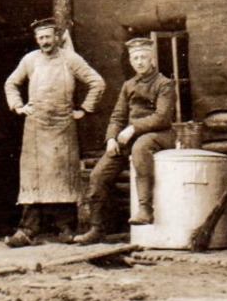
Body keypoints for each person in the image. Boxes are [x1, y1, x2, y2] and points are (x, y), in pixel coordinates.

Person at [3, 18, 106, 247]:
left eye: (48, 37)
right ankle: (27, 230)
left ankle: (65, 229)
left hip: (62, 127)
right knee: (34, 178)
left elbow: (97, 82)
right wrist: (19, 106)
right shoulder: (30, 60)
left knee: (62, 178)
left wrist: (84, 109)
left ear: (57, 37)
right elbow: (11, 84)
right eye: (40, 38)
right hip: (36, 127)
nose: (45, 42)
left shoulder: (70, 59)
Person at [72, 36, 176, 244]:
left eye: (143, 57)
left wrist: (134, 128)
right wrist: (111, 138)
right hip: (129, 137)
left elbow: (162, 117)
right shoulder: (128, 85)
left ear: (151, 59)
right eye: (135, 58)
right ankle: (97, 228)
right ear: (130, 60)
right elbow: (118, 116)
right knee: (99, 173)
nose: (139, 62)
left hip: (159, 134)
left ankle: (145, 209)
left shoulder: (165, 84)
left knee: (141, 146)